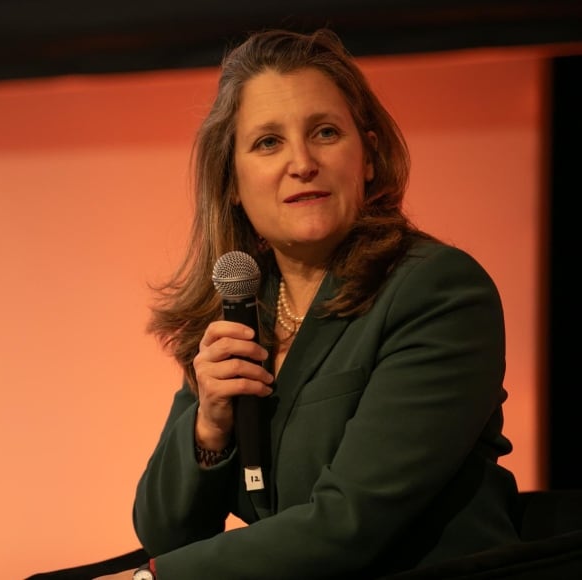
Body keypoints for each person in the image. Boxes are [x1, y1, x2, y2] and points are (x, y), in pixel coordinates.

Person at [100, 27, 521, 579]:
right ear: (232, 181)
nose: (301, 162)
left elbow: (349, 523)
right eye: (268, 142)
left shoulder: (436, 291)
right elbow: (164, 533)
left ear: (368, 156)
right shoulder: (241, 305)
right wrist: (207, 429)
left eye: (324, 132)